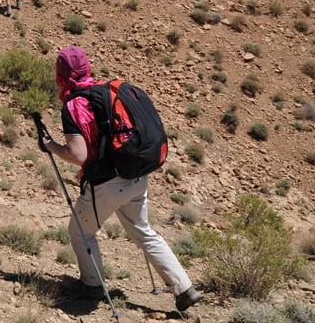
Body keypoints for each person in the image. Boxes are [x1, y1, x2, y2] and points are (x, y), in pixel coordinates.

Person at [38, 46, 202, 312]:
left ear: (61, 73)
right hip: (136, 175)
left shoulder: (75, 103)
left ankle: (92, 286)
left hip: (107, 184)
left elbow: (78, 155)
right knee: (144, 233)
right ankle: (185, 289)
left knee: (80, 232)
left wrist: (51, 146)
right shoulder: (106, 89)